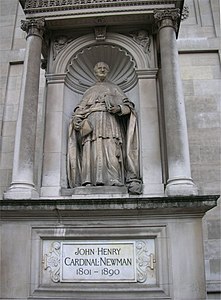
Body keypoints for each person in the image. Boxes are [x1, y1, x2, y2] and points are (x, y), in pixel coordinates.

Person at [67, 62, 142, 194]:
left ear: (108, 71)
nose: (102, 70)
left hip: (110, 121)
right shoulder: (89, 90)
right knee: (91, 150)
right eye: (99, 68)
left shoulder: (114, 88)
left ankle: (114, 178)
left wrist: (118, 108)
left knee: (112, 148)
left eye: (104, 68)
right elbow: (80, 109)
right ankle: (88, 179)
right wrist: (77, 119)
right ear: (95, 72)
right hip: (92, 123)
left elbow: (128, 108)